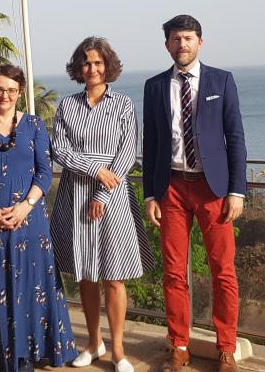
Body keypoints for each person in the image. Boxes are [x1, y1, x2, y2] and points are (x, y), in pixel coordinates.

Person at [0, 64, 77, 372]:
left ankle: (33, 351)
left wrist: (25, 206)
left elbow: (45, 171)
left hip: (29, 224)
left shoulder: (35, 126)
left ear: (20, 92)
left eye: (11, 89)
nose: (4, 95)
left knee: (31, 286)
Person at [142, 15, 247, 372]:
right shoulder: (154, 86)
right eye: (175, 39)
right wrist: (150, 195)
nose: (182, 44)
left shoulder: (221, 80)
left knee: (223, 271)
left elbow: (235, 138)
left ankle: (227, 349)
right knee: (173, 272)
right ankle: (179, 345)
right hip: (170, 187)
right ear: (167, 45)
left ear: (200, 42)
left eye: (188, 38)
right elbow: (152, 142)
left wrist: (237, 190)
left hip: (213, 188)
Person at [51, 37, 155, 372]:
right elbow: (60, 151)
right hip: (75, 193)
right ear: (78, 68)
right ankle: (93, 343)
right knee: (85, 274)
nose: (92, 68)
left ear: (107, 65)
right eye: (86, 63)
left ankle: (119, 350)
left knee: (114, 276)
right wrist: (95, 168)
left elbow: (127, 153)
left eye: (98, 62)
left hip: (112, 197)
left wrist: (103, 192)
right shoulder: (66, 106)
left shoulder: (123, 104)